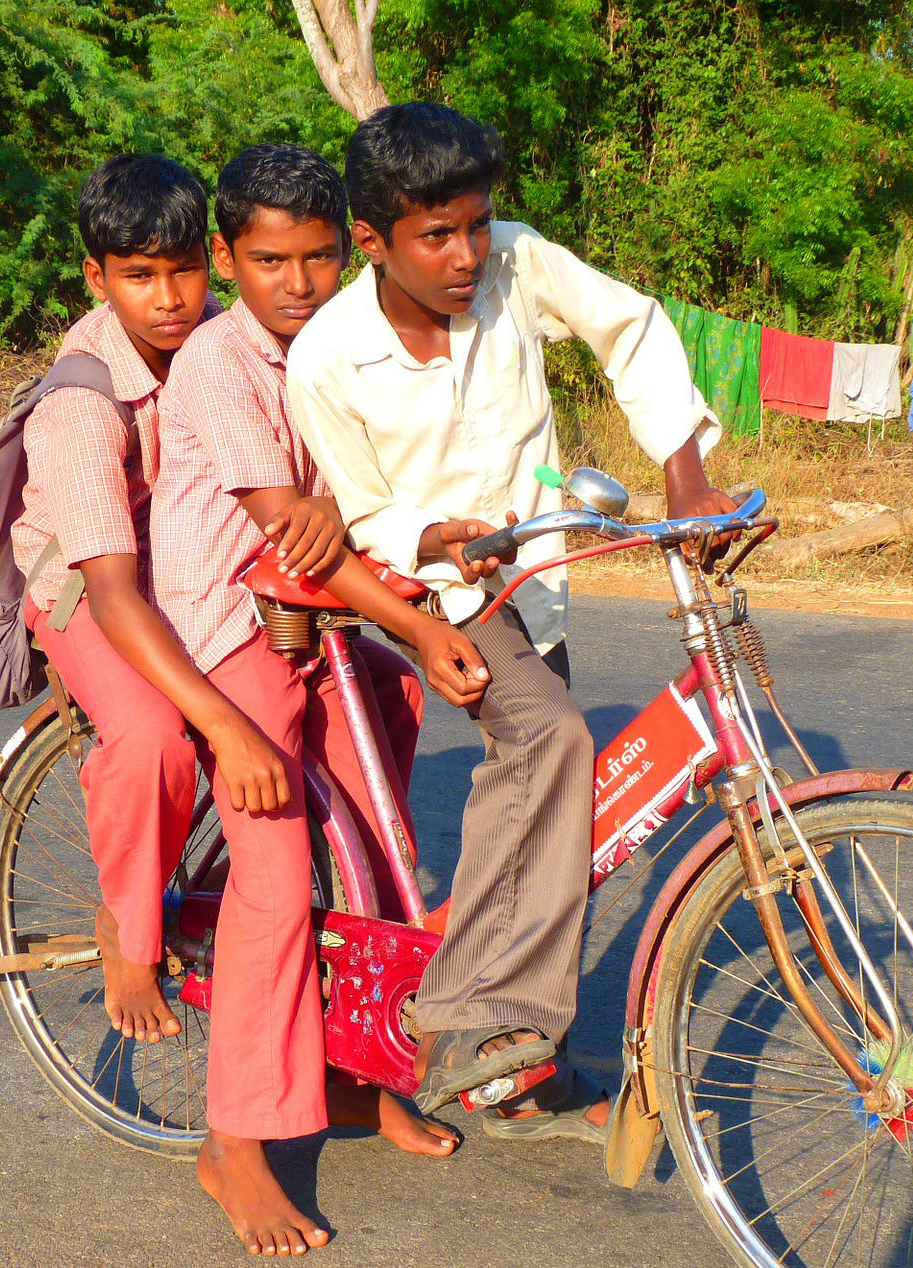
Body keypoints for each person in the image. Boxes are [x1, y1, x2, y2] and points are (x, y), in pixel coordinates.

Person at [287, 103, 739, 1142]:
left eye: (476, 225)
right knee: (549, 740)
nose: (465, 254)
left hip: (532, 573)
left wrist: (684, 470)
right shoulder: (328, 358)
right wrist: (433, 536)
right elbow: (359, 512)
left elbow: (631, 328)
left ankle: (532, 1065)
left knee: (563, 807)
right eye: (435, 236)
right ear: (373, 241)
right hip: (430, 588)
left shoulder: (518, 266)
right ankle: (471, 1019)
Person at [142, 143, 493, 1256]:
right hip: (228, 622)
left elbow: (379, 493)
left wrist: (429, 545)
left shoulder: (341, 345)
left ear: (351, 251)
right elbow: (291, 520)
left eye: (320, 258)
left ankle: (352, 1070)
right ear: (226, 259)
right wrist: (414, 614)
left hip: (320, 614)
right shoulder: (215, 364)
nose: (297, 283)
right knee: (278, 870)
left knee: (385, 832)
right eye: (270, 260)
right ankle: (234, 1140)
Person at [8, 153, 214, 1049]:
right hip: (88, 585)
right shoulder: (81, 405)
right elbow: (110, 585)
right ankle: (128, 931)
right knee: (153, 735)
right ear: (98, 278)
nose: (168, 297)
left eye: (183, 270)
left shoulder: (225, 341)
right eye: (138, 276)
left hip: (187, 562)